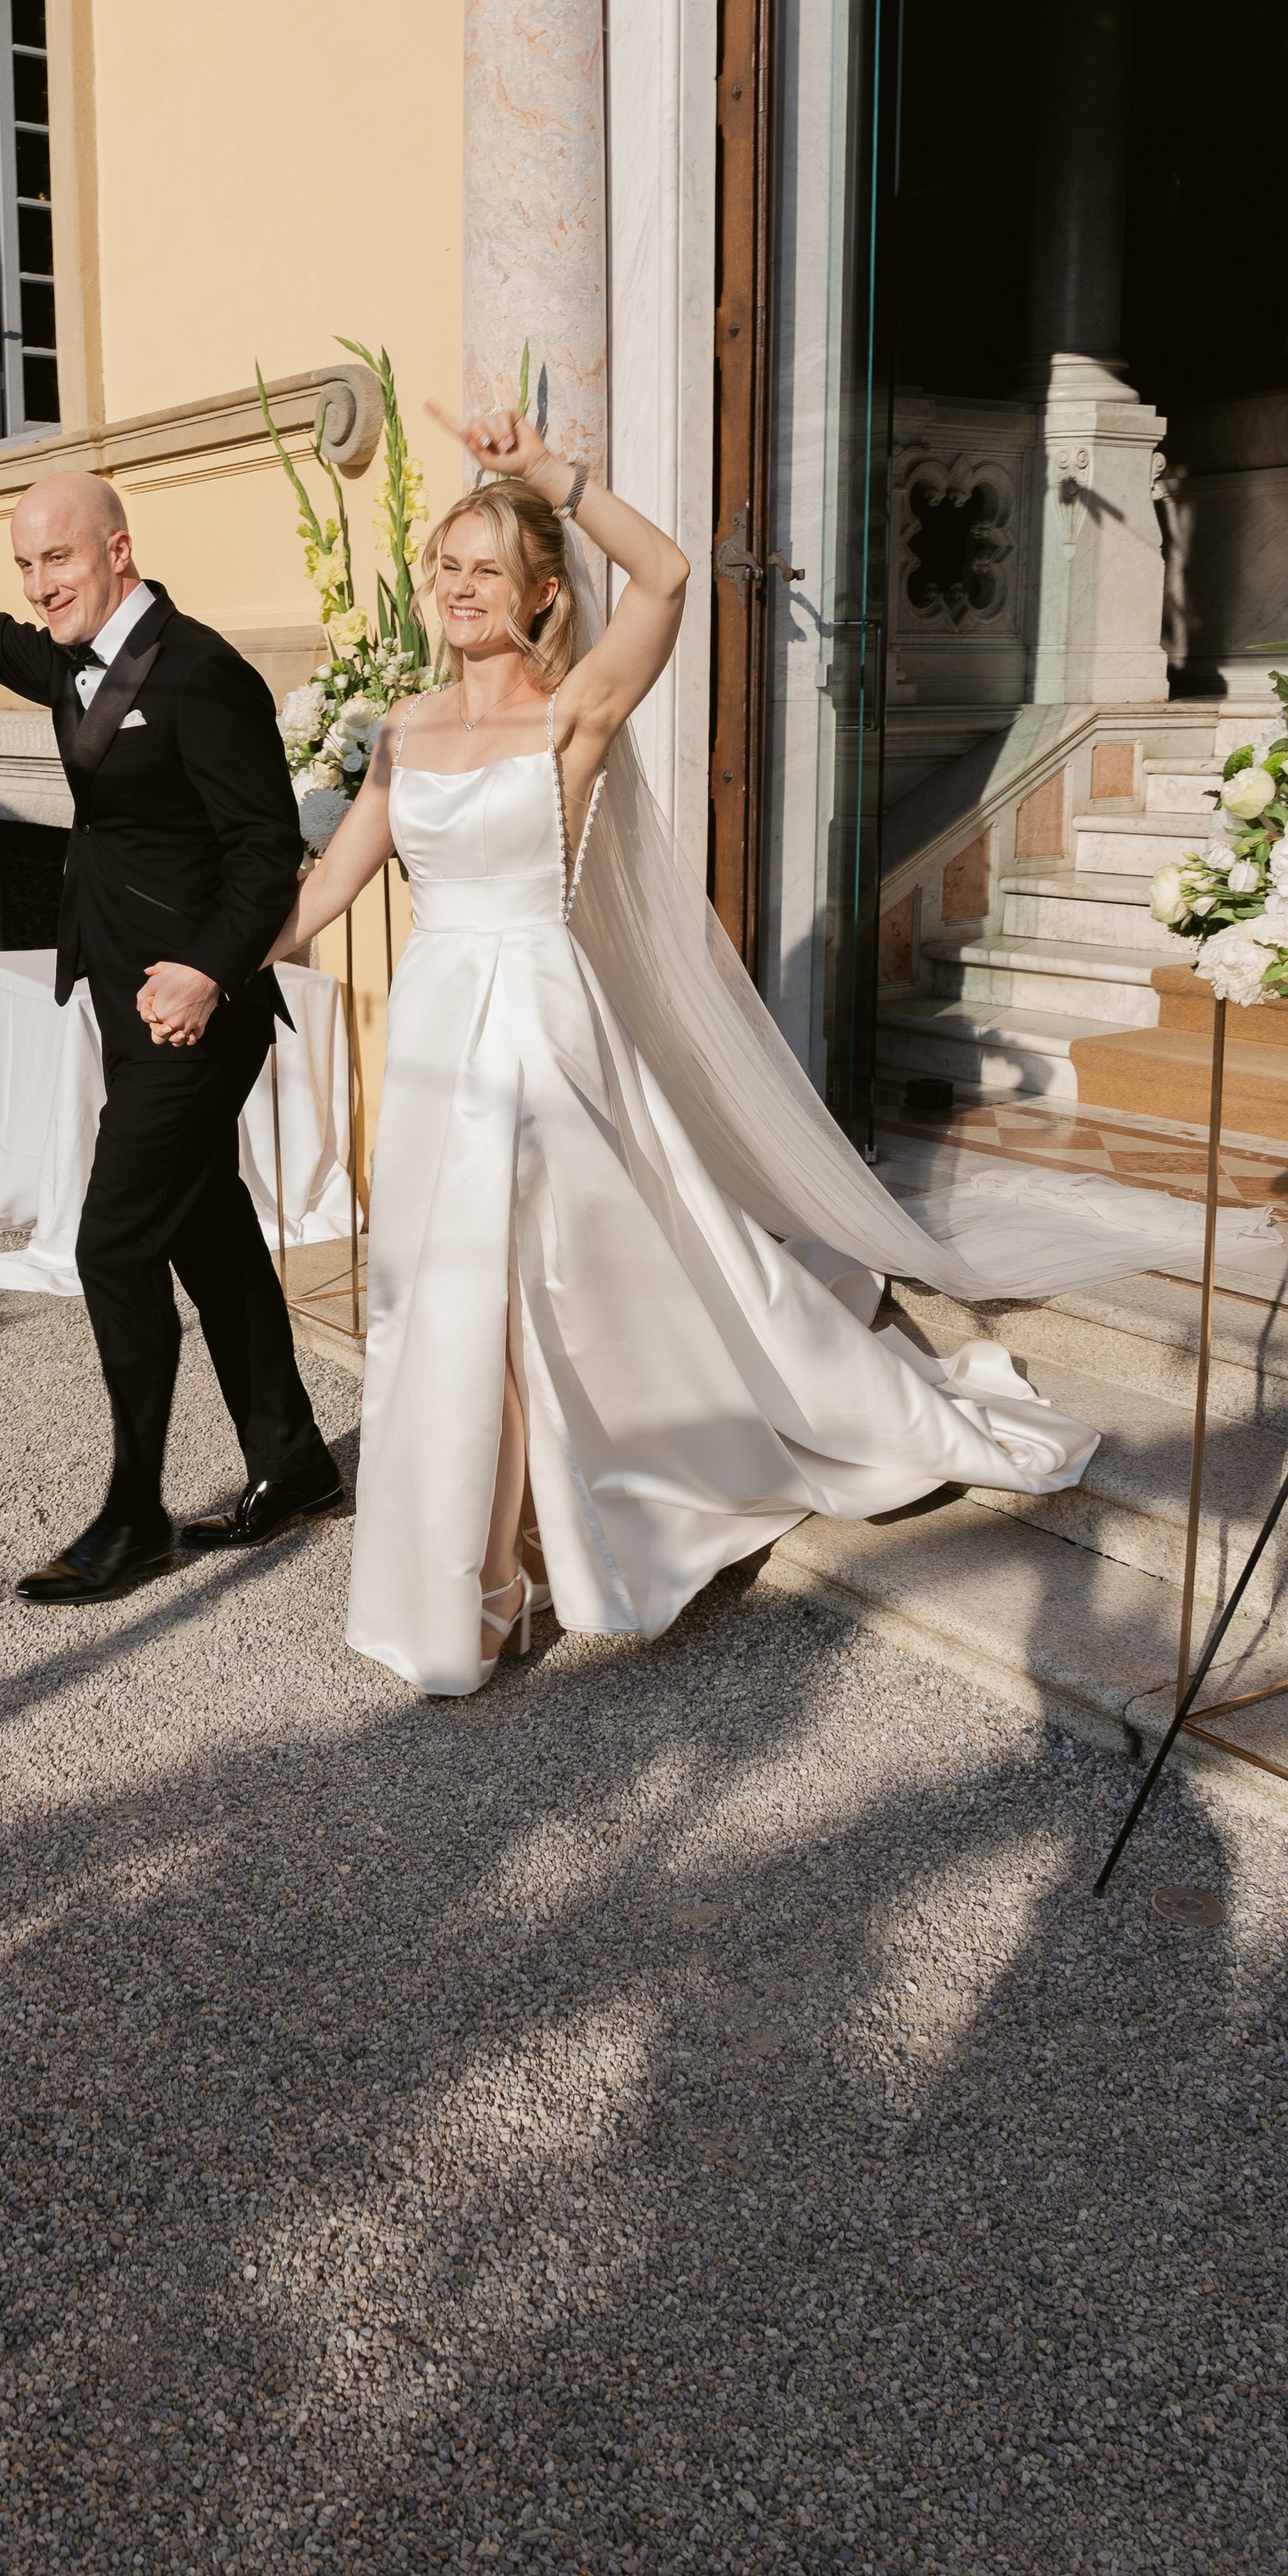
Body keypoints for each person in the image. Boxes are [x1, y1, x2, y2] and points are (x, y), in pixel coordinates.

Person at [263, 403, 1208, 1699]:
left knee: (506, 1293)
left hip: (539, 1026)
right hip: (436, 1029)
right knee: (450, 1293)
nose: (462, 586)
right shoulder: (402, 732)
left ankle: (486, 1576)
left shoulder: (573, 712)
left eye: (492, 567)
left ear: (540, 597)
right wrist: (220, 959)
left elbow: (664, 577)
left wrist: (553, 476)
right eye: (450, 564)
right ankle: (506, 1541)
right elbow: (331, 887)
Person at [0, 437, 340, 1602]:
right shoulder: (70, 656)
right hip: (124, 992)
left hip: (199, 1007)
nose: (39, 582)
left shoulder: (201, 672)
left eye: (58, 557)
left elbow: (266, 852)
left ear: (118, 551)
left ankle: (134, 1516)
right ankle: (293, 1463)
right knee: (207, 1227)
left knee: (109, 1243)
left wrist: (206, 970)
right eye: (26, 564)